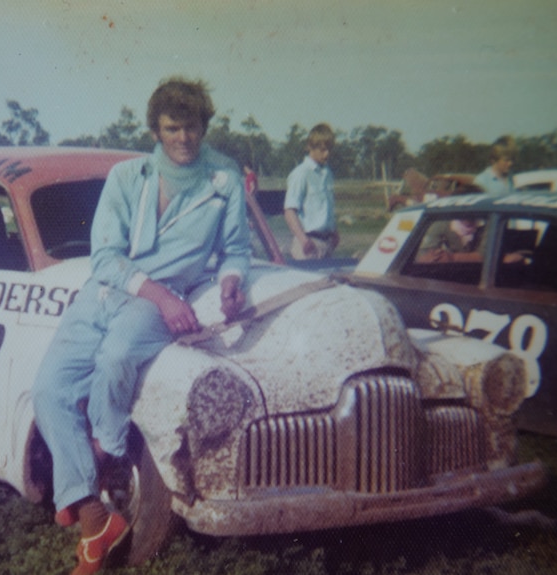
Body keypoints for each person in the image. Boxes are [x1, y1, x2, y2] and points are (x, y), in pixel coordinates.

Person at [32, 77, 251, 575]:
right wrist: (157, 295)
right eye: (172, 128)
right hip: (112, 292)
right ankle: (94, 516)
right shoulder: (127, 176)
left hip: (164, 298)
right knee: (47, 390)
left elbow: (236, 248)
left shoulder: (224, 178)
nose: (183, 138)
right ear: (155, 128)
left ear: (204, 126)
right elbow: (105, 257)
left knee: (115, 358)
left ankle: (102, 460)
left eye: (192, 127)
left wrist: (232, 281)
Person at [283, 123, 339, 260]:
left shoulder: (328, 174)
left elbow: (325, 208)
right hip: (308, 245)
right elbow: (290, 211)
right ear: (310, 146)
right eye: (323, 150)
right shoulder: (301, 174)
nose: (327, 154)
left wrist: (334, 231)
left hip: (326, 244)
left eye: (329, 150)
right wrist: (303, 240)